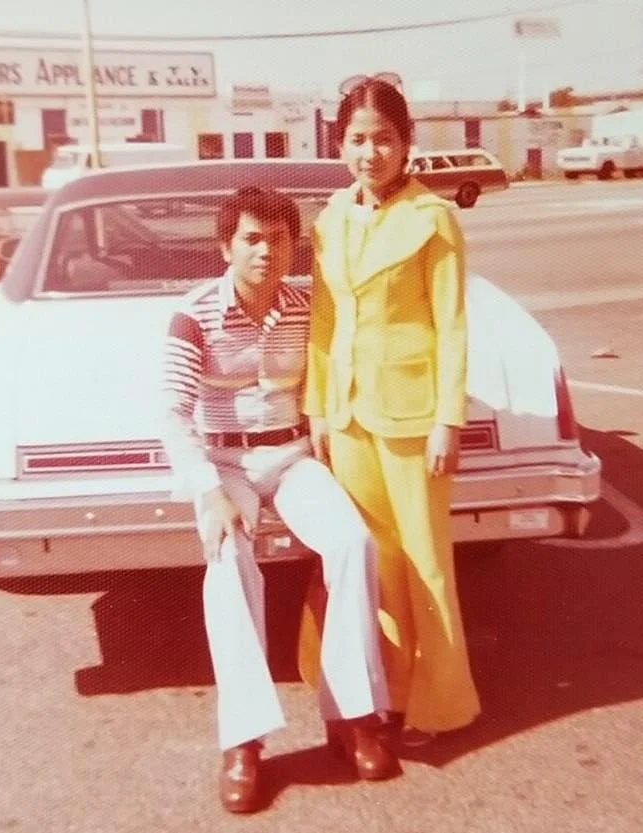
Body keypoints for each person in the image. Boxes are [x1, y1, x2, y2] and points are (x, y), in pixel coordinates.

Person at [161, 186, 399, 815]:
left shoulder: (306, 305)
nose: (267, 251)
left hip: (292, 458)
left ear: (295, 245)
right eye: (252, 238)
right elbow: (171, 413)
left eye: (279, 238)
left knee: (352, 544)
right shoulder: (193, 314)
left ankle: (353, 717)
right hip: (223, 461)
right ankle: (243, 742)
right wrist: (209, 493)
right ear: (226, 246)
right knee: (228, 558)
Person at [299, 75, 481, 750]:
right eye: (356, 139)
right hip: (347, 417)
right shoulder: (329, 218)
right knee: (375, 562)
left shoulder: (431, 218)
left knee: (427, 561)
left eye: (382, 139)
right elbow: (322, 322)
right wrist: (316, 409)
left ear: (405, 144)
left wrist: (448, 419)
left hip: (413, 415)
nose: (369, 152)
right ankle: (387, 693)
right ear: (338, 144)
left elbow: (453, 324)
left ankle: (441, 704)